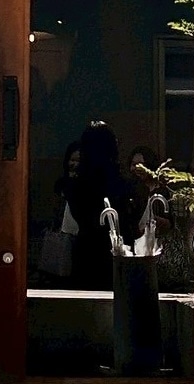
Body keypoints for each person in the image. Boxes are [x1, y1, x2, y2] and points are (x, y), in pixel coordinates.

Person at [63, 121, 134, 289]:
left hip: (86, 251)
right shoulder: (121, 183)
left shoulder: (76, 185)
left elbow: (76, 219)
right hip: (117, 251)